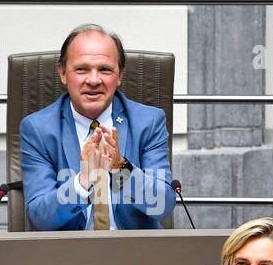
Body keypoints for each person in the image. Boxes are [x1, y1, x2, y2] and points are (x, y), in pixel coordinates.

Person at [19, 24, 175, 230]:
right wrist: (82, 182)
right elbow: (40, 217)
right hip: (66, 254)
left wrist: (121, 168)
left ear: (119, 76)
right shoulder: (38, 129)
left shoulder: (149, 121)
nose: (93, 80)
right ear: (63, 73)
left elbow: (163, 206)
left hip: (135, 254)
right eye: (82, 69)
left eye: (105, 69)